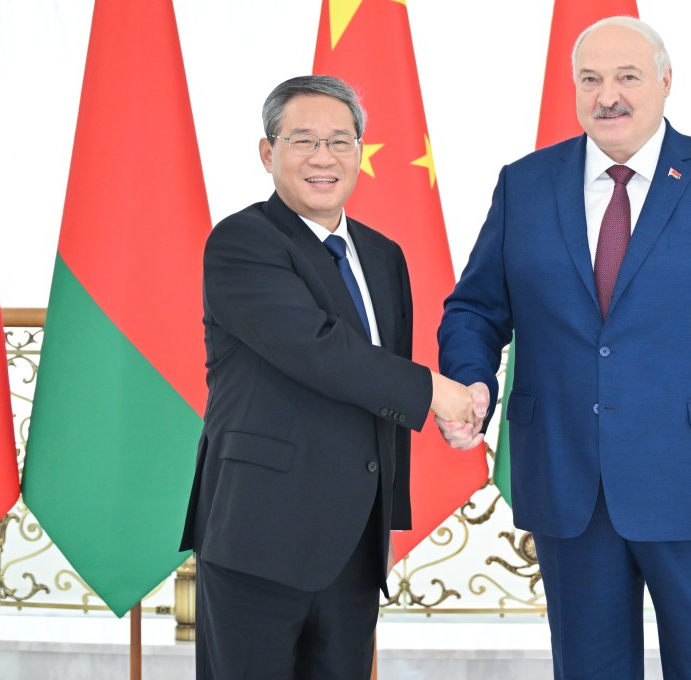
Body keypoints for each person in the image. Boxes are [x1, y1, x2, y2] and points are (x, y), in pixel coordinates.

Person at [437, 16, 691, 679]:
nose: (607, 95)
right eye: (591, 79)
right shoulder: (525, 185)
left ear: (666, 83)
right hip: (567, 480)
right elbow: (475, 307)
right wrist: (473, 383)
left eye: (627, 77)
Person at [180, 75, 477, 680]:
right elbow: (322, 351)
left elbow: (378, 395)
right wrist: (437, 394)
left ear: (360, 154)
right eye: (304, 141)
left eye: (341, 142)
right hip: (259, 535)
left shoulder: (383, 254)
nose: (324, 158)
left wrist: (387, 516)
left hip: (352, 544)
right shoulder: (242, 242)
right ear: (268, 152)